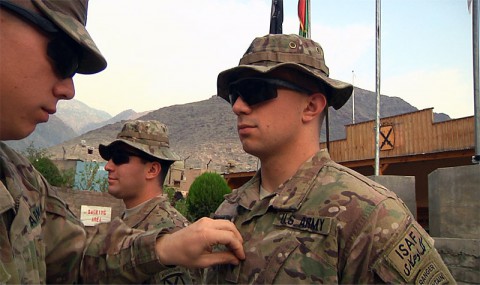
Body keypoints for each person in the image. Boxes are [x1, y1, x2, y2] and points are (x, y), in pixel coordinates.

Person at [0, 0, 244, 284]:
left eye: (121, 158)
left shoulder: (20, 180)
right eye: (63, 57)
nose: (69, 89)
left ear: (153, 169)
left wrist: (163, 247)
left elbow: (75, 258)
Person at [208, 34, 455, 284]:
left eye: (254, 90)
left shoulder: (370, 216)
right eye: (234, 94)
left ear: (311, 107)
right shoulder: (230, 209)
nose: (237, 107)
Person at [98, 119, 194, 284]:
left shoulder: (172, 234)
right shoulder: (124, 222)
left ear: (151, 170)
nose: (108, 166)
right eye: (110, 158)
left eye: (119, 158)